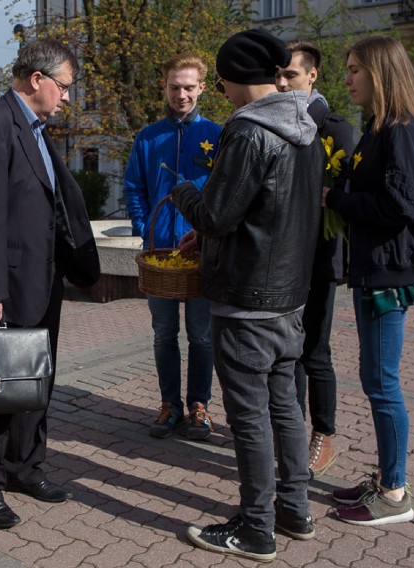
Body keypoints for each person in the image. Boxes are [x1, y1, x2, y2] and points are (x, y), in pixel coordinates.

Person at [172, 29, 324, 561]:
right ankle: (295, 509)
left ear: (235, 78)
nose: (221, 92)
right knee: (284, 407)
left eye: (220, 81)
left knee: (250, 417)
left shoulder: (249, 130)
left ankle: (257, 529)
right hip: (290, 298)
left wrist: (184, 191)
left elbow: (216, 213)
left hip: (247, 300)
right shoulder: (305, 124)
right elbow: (270, 212)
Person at [0, 37, 101, 530]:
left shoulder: (37, 128)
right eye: (63, 87)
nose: (67, 98)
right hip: (6, 287)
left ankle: (24, 468)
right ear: (36, 80)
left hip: (42, 282)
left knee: (35, 384)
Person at [324, 35, 414, 526]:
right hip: (374, 269)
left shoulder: (402, 131)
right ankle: (388, 476)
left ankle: (394, 495)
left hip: (390, 273)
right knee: (375, 379)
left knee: (383, 383)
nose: (346, 78)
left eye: (353, 70)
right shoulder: (378, 128)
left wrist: (337, 201)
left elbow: (402, 205)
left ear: (379, 73)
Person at [123, 53, 222, 440]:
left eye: (188, 87)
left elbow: (223, 192)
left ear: (201, 88)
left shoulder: (216, 134)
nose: (181, 94)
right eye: (174, 87)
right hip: (160, 255)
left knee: (201, 335)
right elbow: (133, 187)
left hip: (201, 252)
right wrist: (144, 225)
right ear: (164, 88)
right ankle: (169, 405)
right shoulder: (148, 137)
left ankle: (199, 406)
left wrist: (210, 234)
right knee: (164, 334)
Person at [276, 40, 356, 477]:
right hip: (284, 258)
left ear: (312, 77)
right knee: (286, 350)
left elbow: (343, 193)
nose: (284, 82)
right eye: (279, 75)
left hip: (320, 259)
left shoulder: (334, 128)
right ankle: (292, 429)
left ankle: (324, 434)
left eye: (292, 75)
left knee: (314, 351)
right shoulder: (276, 120)